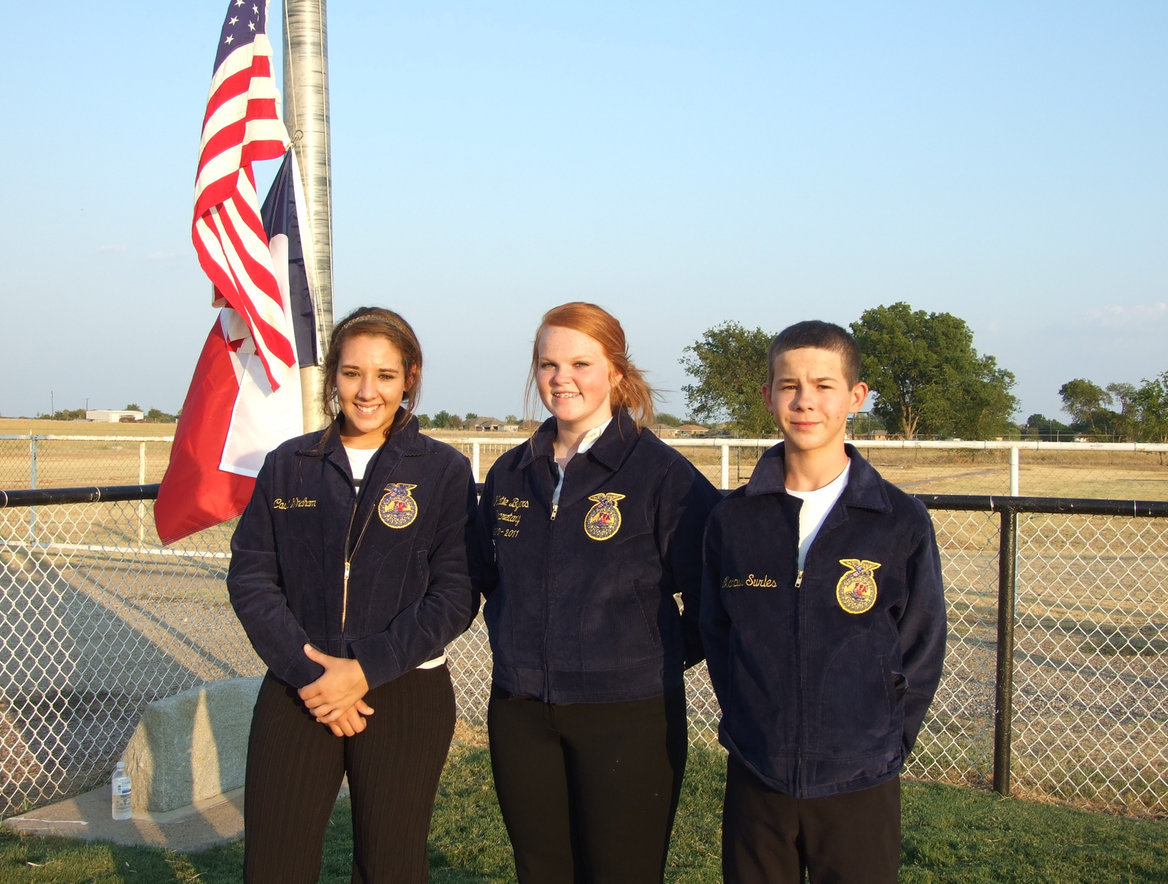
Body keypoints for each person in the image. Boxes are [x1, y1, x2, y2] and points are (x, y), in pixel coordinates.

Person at [226, 306, 478, 883]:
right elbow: (251, 576)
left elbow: (457, 593)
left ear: (409, 378)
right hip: (302, 687)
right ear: (332, 377)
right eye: (352, 373)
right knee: (273, 865)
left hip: (404, 689)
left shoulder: (442, 471)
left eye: (385, 375)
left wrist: (364, 669)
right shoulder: (289, 464)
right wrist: (309, 671)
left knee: (391, 865)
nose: (367, 392)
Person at [471, 301, 721, 883]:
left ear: (616, 372)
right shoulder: (511, 473)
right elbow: (479, 577)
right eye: (549, 364)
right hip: (521, 711)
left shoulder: (661, 475)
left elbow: (714, 595)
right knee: (542, 870)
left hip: (628, 716)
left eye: (581, 363)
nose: (563, 379)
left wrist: (645, 655)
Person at [700, 319, 947, 883]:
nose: (805, 401)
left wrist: (883, 742)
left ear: (855, 397)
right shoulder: (733, 519)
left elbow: (921, 644)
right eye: (789, 385)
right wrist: (748, 722)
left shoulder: (898, 519)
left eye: (823, 385)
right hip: (758, 773)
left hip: (860, 778)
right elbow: (718, 634)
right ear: (767, 396)